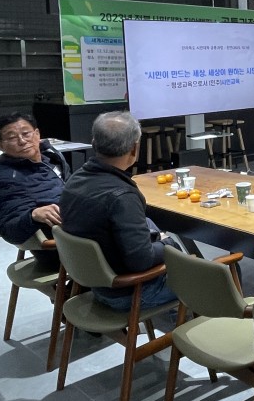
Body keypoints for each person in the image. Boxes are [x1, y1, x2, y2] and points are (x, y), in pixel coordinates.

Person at [59, 111, 179, 311]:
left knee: (150, 224)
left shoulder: (75, 180)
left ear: (94, 143)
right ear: (134, 149)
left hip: (95, 282)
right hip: (128, 292)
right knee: (220, 273)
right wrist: (168, 244)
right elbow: (142, 261)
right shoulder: (122, 196)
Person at [0, 113, 71, 270]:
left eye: (26, 133)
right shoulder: (7, 180)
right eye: (12, 137)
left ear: (37, 134)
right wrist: (33, 216)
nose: (22, 141)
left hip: (75, 229)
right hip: (60, 248)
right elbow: (9, 230)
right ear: (0, 145)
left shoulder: (51, 155)